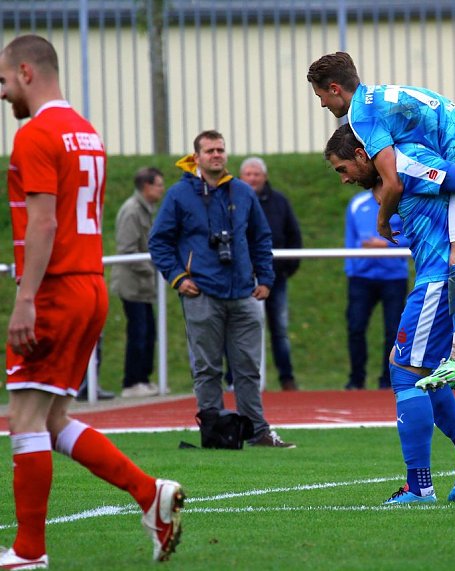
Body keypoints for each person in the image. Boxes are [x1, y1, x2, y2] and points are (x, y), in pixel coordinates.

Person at [0, 34, 183, 569]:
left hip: (56, 288)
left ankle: (29, 551)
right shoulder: (86, 132)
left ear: (27, 73)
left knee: (25, 419)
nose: (2, 92)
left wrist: (25, 298)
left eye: (4, 81)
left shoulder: (35, 134)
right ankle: (150, 493)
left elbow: (44, 220)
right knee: (52, 421)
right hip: (90, 283)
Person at [308, 52, 455, 390]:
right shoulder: (379, 95)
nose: (322, 104)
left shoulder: (361, 117)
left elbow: (394, 180)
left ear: (335, 88)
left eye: (321, 96)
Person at [325, 124, 455, 504]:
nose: (343, 180)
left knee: (405, 372)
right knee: (410, 367)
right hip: (443, 276)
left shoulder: (410, 162)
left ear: (361, 154)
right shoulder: (398, 174)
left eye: (342, 169)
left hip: (441, 279)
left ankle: (420, 486)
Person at [148, 130, 294, 448]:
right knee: (207, 367)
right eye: (210, 150)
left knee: (247, 367)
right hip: (201, 291)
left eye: (221, 150)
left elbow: (261, 237)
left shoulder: (242, 192)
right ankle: (214, 433)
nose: (216, 155)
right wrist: (177, 277)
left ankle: (258, 431)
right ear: (196, 157)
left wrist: (266, 279)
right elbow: (159, 241)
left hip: (243, 291)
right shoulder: (179, 194)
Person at [238, 157, 302, 391]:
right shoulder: (231, 200)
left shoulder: (280, 202)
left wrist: (286, 268)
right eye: (248, 174)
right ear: (241, 176)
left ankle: (287, 378)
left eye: (256, 174)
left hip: (276, 277)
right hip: (241, 279)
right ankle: (236, 379)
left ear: (264, 177)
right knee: (239, 329)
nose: (252, 178)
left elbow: (294, 236)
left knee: (280, 329)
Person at [344, 189, 408, 390]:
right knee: (356, 327)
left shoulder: (401, 204)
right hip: (361, 277)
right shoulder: (357, 203)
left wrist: (387, 247)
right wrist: (351, 268)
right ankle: (356, 379)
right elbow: (350, 238)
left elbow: (412, 236)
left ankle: (388, 380)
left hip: (394, 277)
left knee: (393, 330)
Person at [111, 167, 165, 398]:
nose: (162, 189)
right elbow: (127, 250)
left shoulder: (146, 210)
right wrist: (152, 268)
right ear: (146, 186)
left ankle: (143, 378)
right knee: (138, 332)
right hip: (132, 285)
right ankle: (131, 382)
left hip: (143, 285)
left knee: (148, 331)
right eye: (158, 185)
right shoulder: (132, 211)